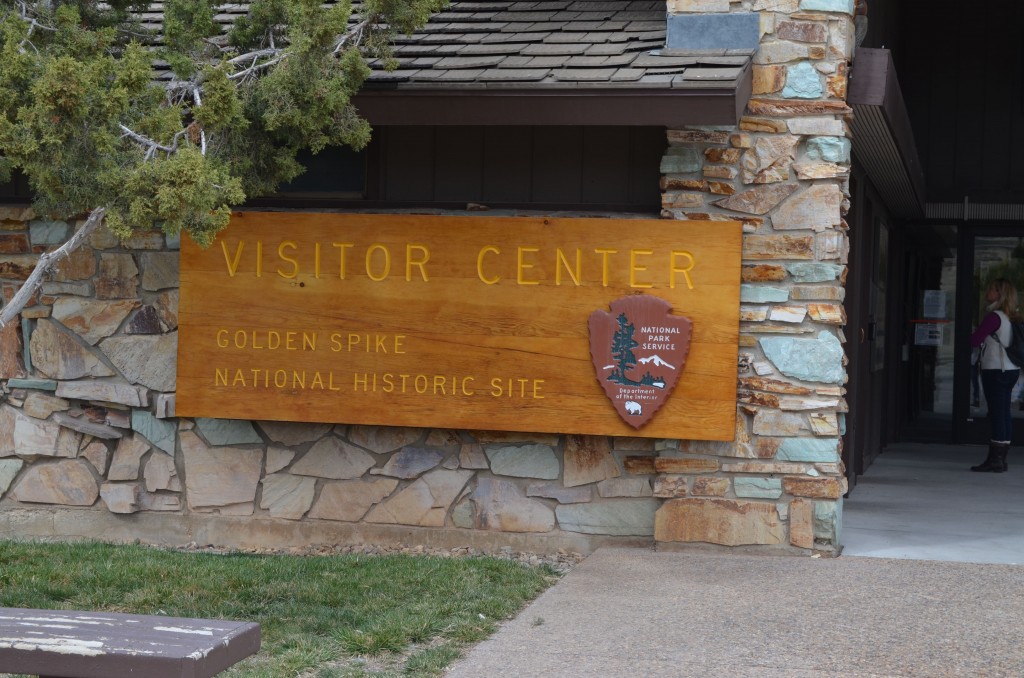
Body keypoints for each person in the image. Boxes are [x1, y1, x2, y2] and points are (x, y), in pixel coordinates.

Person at [969, 278, 1021, 472]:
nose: (987, 293)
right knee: (1004, 414)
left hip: (995, 370)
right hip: (1011, 370)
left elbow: (975, 340)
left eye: (991, 290)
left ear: (999, 295)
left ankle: (996, 461)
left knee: (997, 415)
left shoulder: (994, 317)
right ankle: (1001, 458)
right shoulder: (1011, 316)